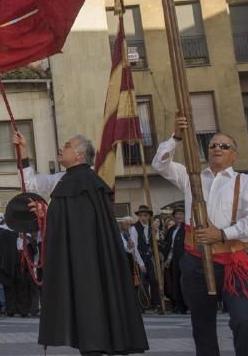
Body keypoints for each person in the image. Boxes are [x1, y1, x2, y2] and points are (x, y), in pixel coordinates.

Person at [14, 131, 148, 355]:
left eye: (66, 145)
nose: (61, 148)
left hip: (90, 260)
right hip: (71, 259)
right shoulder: (61, 180)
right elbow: (31, 185)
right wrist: (24, 152)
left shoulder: (89, 183)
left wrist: (46, 212)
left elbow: (79, 223)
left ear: (78, 154)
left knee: (92, 305)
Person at [153, 116, 248, 356]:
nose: (216, 148)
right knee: (202, 328)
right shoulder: (191, 177)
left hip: (233, 263)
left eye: (224, 146)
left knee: (243, 321)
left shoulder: (245, 182)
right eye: (213, 144)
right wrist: (176, 137)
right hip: (196, 263)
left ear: (234, 155)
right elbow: (160, 165)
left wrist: (223, 233)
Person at [131, 205, 162, 312]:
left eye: (145, 215)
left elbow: (156, 242)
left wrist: (156, 231)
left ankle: (157, 304)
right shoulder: (134, 228)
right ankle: (142, 305)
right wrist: (141, 263)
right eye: (141, 215)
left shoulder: (151, 227)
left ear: (149, 216)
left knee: (154, 280)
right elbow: (134, 246)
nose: (143, 218)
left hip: (150, 256)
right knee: (142, 281)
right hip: (140, 256)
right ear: (138, 217)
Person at [162, 205, 188, 313]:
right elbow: (171, 246)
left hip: (186, 259)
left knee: (185, 282)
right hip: (175, 259)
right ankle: (179, 305)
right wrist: (168, 259)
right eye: (177, 214)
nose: (179, 216)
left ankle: (187, 305)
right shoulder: (172, 229)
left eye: (181, 214)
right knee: (175, 282)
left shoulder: (187, 228)